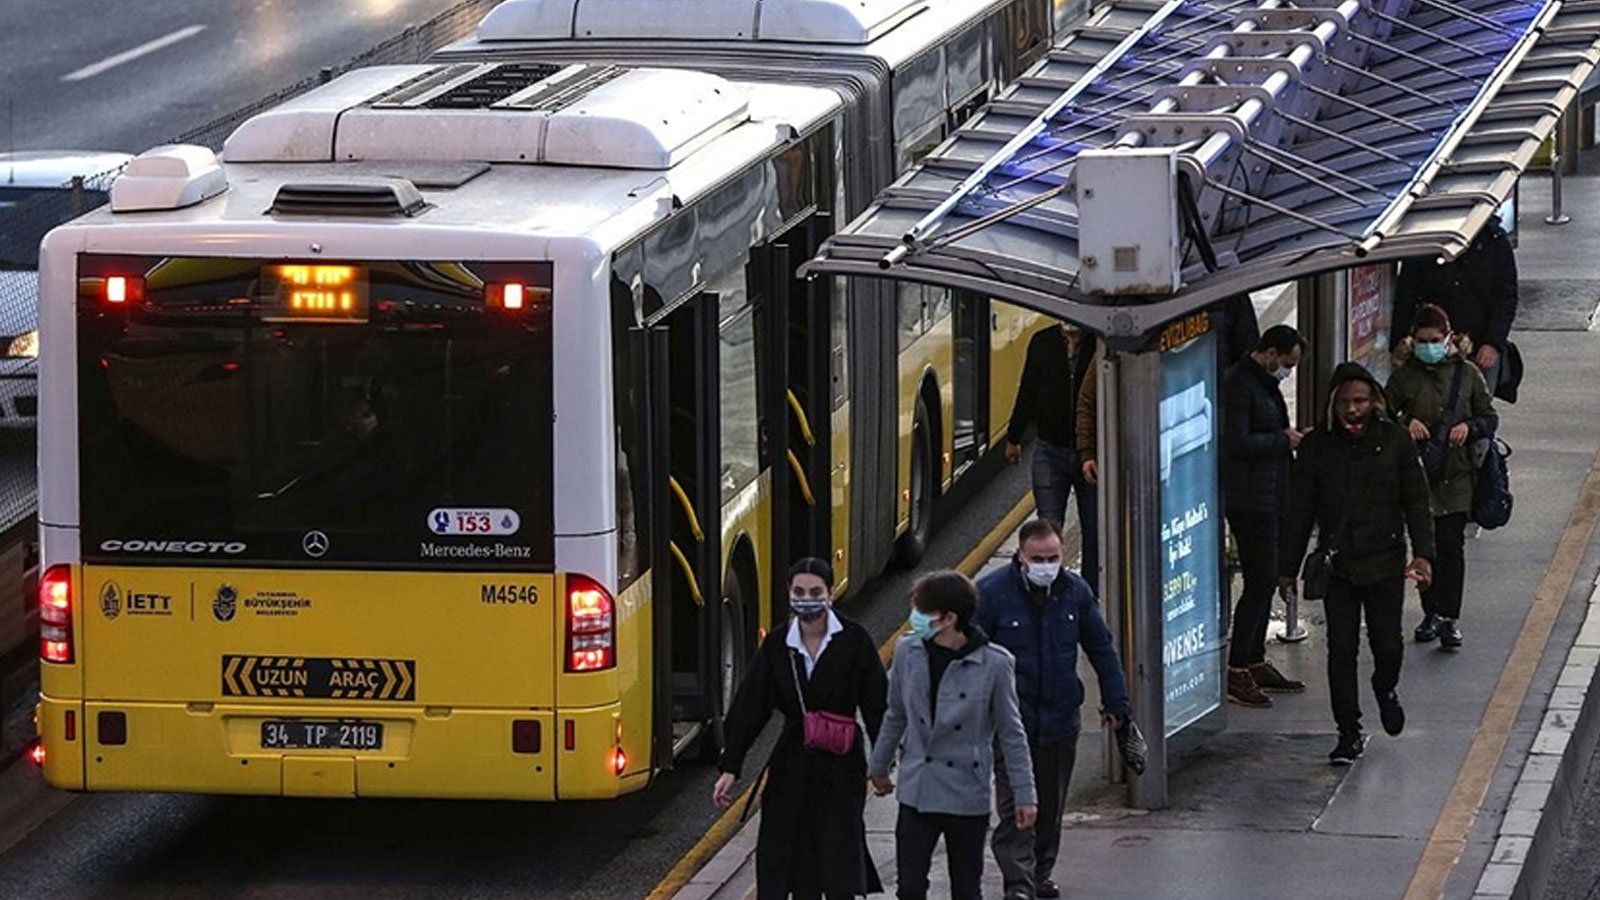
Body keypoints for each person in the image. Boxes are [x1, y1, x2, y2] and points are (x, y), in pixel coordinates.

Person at [1280, 363, 1436, 765]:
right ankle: (1348, 731)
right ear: (1333, 404)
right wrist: (1287, 569)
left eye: (1361, 401)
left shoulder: (1396, 440)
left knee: (1388, 646)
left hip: (1385, 562)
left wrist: (1423, 554)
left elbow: (1416, 501)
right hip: (1340, 565)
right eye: (1346, 402)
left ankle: (1385, 688)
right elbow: (1300, 512)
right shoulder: (1316, 448)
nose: (1353, 409)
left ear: (1374, 402)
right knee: (1340, 650)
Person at [974, 519, 1132, 900]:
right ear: (1021, 558)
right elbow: (971, 657)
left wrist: (1117, 703)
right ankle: (1019, 884)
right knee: (1017, 807)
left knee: (1049, 805)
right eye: (1039, 558)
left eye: (1054, 558)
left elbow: (1101, 647)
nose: (1047, 565)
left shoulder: (1075, 591)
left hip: (1060, 719)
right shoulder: (991, 594)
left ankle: (1040, 872)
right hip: (1012, 723)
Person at [714, 558, 889, 900]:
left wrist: (881, 764)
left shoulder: (855, 640)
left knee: (839, 853)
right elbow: (751, 707)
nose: (806, 598)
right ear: (788, 593)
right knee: (789, 852)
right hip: (791, 763)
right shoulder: (779, 645)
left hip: (842, 765)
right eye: (798, 591)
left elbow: (878, 706)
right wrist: (730, 767)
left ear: (829, 595)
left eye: (815, 592)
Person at [868, 571, 1037, 900]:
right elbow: (896, 714)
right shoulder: (908, 652)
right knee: (910, 888)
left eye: (921, 611)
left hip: (966, 794)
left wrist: (1025, 794)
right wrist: (878, 765)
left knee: (966, 888)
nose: (914, 619)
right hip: (918, 790)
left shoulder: (995, 664)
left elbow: (1012, 733)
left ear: (948, 618)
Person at [1386, 304, 1498, 651]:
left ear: (1449, 338)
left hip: (1457, 474)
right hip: (1418, 476)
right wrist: (1406, 423)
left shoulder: (1467, 375)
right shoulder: (1404, 377)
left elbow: (1489, 417)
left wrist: (1470, 426)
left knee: (1451, 548)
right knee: (1426, 548)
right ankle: (1430, 611)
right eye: (1422, 340)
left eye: (1435, 340)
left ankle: (1449, 617)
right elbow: (1385, 415)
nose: (1428, 346)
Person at [1221, 325, 1308, 708]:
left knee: (1265, 579)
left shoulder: (1260, 383)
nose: (1287, 371)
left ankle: (1253, 660)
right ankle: (1238, 667)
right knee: (1258, 582)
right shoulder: (1240, 385)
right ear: (1270, 353)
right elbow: (1236, 441)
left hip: (1268, 493)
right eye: (1286, 363)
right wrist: (1282, 440)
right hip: (1249, 498)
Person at [1003, 322, 1099, 595]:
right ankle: (1046, 592)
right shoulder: (1042, 342)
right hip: (1050, 449)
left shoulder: (1099, 342)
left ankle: (1089, 596)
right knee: (1047, 527)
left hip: (1089, 455)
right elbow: (1028, 389)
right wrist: (1014, 436)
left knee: (1094, 531)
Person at [1391, 218, 1518, 394]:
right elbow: (1406, 295)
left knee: (1477, 404)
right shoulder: (1426, 242)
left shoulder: (1493, 240)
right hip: (1431, 343)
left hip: (1478, 344)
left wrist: (1493, 342)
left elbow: (1505, 297)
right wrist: (1400, 344)